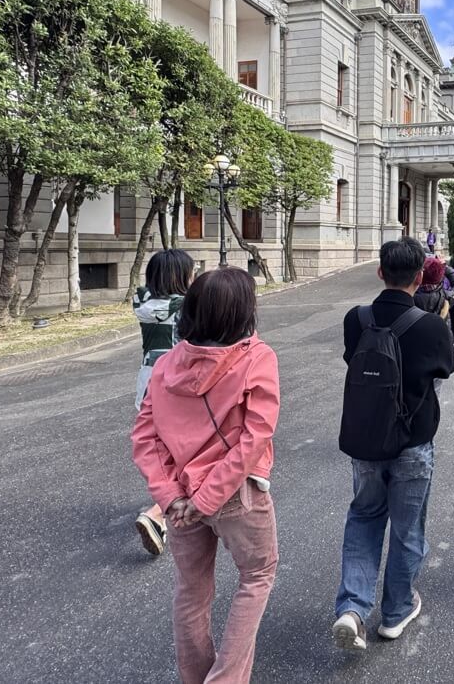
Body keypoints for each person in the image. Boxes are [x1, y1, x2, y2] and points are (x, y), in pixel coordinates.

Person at [131, 267, 281, 684]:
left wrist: (171, 497)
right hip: (236, 495)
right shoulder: (256, 357)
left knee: (191, 591)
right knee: (257, 575)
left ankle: (195, 676)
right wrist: (207, 497)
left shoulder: (166, 364)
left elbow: (145, 437)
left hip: (180, 497)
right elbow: (255, 437)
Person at [333, 237, 454, 652]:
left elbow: (353, 360)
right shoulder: (431, 326)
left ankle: (352, 608)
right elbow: (447, 368)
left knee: (364, 517)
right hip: (413, 444)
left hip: (366, 440)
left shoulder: (356, 319)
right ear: (420, 276)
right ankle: (396, 610)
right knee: (407, 529)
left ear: (380, 272)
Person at [131, 248, 195, 556]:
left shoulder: (141, 302)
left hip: (147, 380)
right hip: (176, 382)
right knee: (186, 451)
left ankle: (162, 501)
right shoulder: (186, 307)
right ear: (180, 276)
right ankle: (158, 512)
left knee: (159, 450)